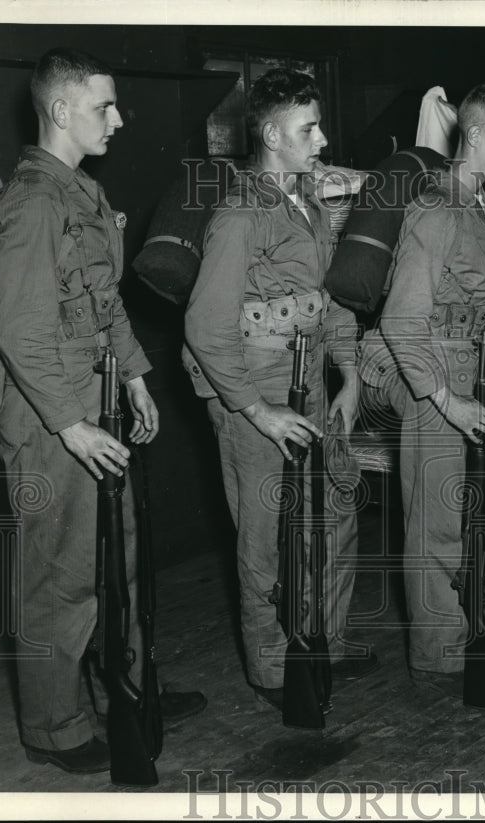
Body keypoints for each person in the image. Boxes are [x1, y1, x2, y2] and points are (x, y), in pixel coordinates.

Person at [0, 48, 205, 776]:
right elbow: (19, 329)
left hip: (99, 401)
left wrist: (138, 376)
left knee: (122, 563)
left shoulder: (77, 193)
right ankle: (53, 727)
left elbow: (102, 302)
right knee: (63, 578)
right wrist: (71, 424)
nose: (118, 118)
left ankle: (127, 692)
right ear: (60, 111)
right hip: (55, 422)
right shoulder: (34, 203)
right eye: (103, 106)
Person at [184, 68, 376, 714]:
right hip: (256, 385)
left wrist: (348, 373)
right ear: (271, 134)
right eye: (308, 129)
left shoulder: (311, 203)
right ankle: (273, 665)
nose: (321, 140)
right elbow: (205, 328)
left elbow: (335, 299)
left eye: (318, 125)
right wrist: (257, 411)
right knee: (266, 532)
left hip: (311, 380)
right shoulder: (240, 214)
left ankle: (322, 637)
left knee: (334, 514)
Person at [357, 83, 485, 697]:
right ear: (475, 136)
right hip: (420, 362)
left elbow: (480, 309)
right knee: (434, 520)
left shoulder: (480, 205)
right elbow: (402, 321)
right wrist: (446, 400)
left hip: (465, 361)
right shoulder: (435, 209)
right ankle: (439, 656)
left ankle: (483, 630)